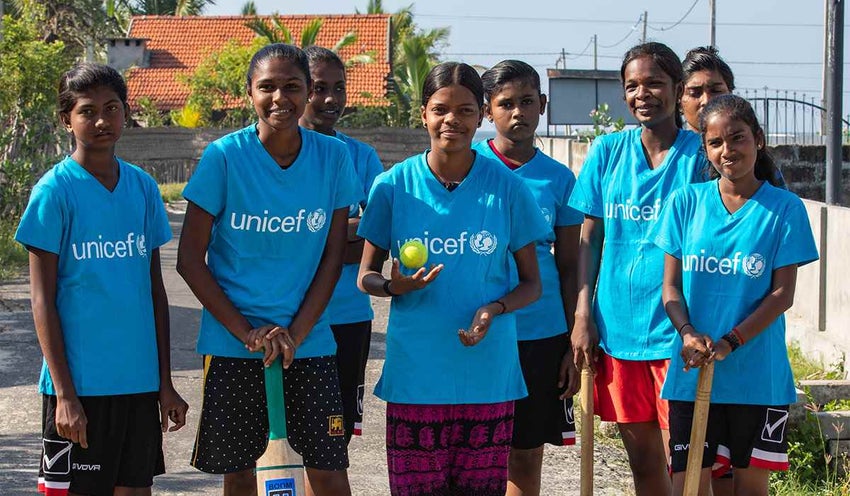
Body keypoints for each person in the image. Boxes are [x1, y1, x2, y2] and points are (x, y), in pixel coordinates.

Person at [357, 61, 550, 496]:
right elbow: (365, 276)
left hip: (487, 377)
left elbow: (531, 284)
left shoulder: (507, 188)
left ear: (481, 115)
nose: (452, 120)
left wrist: (492, 309)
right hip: (416, 378)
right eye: (441, 109)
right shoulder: (392, 186)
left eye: (465, 110)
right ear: (422, 113)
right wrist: (393, 287)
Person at [177, 43, 360, 496]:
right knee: (240, 474)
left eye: (293, 86)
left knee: (328, 472)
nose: (281, 97)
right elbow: (188, 260)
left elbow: (332, 258)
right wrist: (247, 332)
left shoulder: (334, 159)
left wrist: (295, 333)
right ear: (249, 94)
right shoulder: (224, 157)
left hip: (310, 342)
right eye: (267, 87)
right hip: (233, 343)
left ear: (308, 93)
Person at [16, 62, 188, 496]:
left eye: (112, 108)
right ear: (66, 119)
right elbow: (42, 300)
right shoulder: (54, 192)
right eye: (87, 110)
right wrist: (66, 396)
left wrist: (165, 383)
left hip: (138, 383)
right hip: (79, 388)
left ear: (125, 112)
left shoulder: (143, 188)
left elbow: (154, 292)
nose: (101, 121)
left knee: (135, 491)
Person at [653, 94, 818, 496]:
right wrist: (688, 333)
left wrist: (731, 342)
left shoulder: (785, 209)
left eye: (738, 138)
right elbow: (671, 289)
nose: (728, 151)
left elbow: (781, 295)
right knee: (687, 486)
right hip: (691, 375)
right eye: (715, 143)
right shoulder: (684, 203)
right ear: (705, 149)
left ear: (758, 139)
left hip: (757, 379)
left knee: (750, 489)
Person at [568, 42, 707, 496]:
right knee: (644, 466)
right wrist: (583, 315)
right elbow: (590, 236)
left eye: (654, 83)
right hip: (618, 329)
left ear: (678, 89)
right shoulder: (608, 152)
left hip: (679, 333)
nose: (642, 93)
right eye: (632, 85)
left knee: (686, 470)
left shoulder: (702, 158)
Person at [474, 59, 583, 496]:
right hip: (478, 330)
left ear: (543, 104)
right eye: (505, 103)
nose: (517, 112)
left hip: (541, 332)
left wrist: (574, 338)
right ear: (488, 112)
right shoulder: (469, 167)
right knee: (477, 449)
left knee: (524, 453)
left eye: (526, 101)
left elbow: (571, 263)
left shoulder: (560, 179)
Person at [299, 45, 384, 444]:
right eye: (318, 88)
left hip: (348, 317)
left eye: (339, 87)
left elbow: (375, 237)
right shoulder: (277, 154)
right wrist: (346, 230)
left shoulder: (362, 157)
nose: (330, 99)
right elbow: (277, 240)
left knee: (334, 441)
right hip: (286, 315)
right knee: (280, 442)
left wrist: (313, 234)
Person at [680, 46, 735, 133]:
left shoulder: (747, 145)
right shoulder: (668, 146)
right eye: (695, 93)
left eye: (716, 91)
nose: (706, 101)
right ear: (679, 102)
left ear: (731, 96)